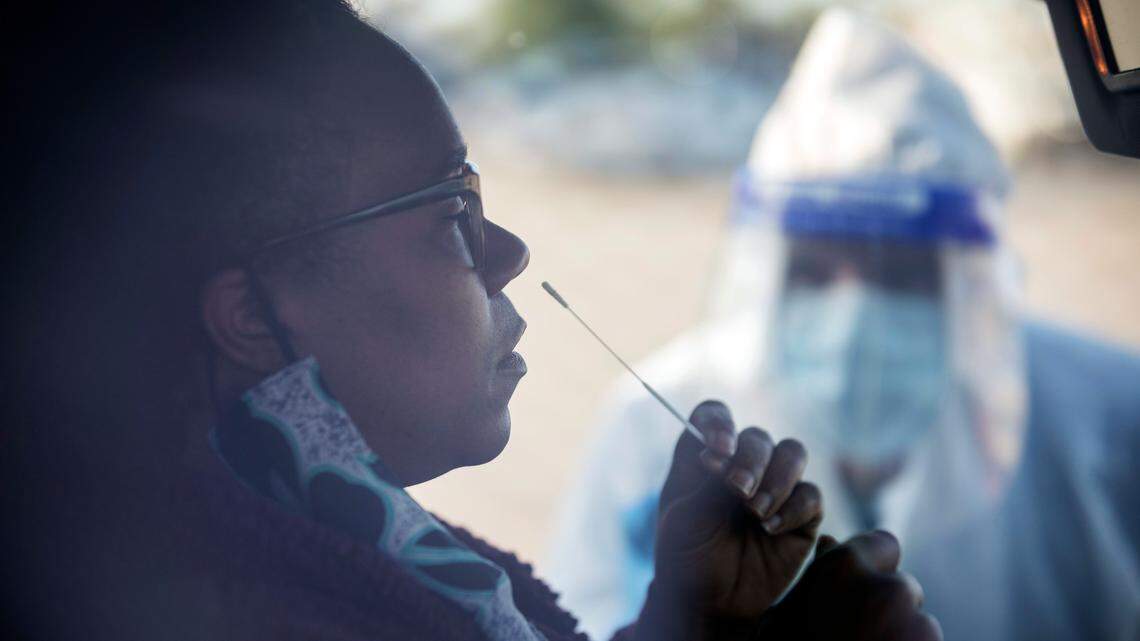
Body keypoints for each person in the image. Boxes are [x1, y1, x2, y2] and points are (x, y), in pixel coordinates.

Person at [3, 2, 941, 640]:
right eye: (452, 215)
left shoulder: (320, 550)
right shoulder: (197, 604)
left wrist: (685, 620)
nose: (509, 254)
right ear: (251, 314)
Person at [547, 8, 1140, 641]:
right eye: (815, 272)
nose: (852, 314)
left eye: (900, 274)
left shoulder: (1109, 415)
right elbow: (585, 614)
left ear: (969, 285)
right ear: (767, 274)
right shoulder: (661, 427)